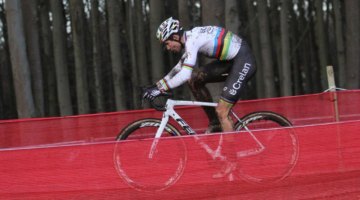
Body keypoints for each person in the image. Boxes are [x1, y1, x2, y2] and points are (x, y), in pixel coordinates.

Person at [143, 17, 257, 133]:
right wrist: (157, 86)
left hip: (243, 60)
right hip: (231, 61)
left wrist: (161, 89)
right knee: (194, 80)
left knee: (222, 112)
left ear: (175, 37)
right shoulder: (191, 38)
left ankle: (231, 151)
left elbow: (184, 74)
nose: (168, 48)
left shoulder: (192, 40)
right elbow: (179, 67)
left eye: (167, 43)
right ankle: (215, 123)